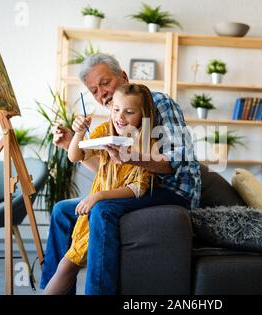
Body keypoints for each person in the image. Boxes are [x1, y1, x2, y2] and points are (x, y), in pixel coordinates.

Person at [40, 53, 201, 295]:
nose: (101, 93)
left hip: (171, 190)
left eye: (105, 83)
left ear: (123, 76)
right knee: (63, 210)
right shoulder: (115, 119)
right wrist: (69, 144)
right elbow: (110, 170)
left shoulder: (156, 103)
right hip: (140, 187)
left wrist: (131, 157)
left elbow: (176, 161)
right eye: (94, 90)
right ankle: (56, 288)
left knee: (103, 209)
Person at [43, 84, 156, 294]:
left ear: (144, 114)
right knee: (66, 265)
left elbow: (139, 188)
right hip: (97, 203)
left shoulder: (148, 142)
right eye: (116, 110)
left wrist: (99, 195)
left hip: (112, 205)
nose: (120, 117)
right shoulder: (105, 130)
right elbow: (75, 156)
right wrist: (77, 134)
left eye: (129, 112)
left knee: (67, 265)